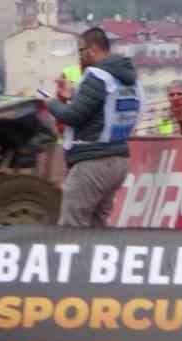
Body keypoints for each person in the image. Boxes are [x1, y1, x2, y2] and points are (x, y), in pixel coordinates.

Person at [45, 27, 140, 227]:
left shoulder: (97, 75)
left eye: (81, 51)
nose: (79, 57)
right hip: (119, 159)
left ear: (92, 49)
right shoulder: (129, 80)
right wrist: (72, 96)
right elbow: (104, 109)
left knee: (73, 229)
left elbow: (73, 116)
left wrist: (52, 103)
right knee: (97, 229)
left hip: (92, 162)